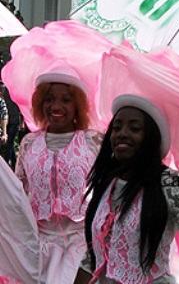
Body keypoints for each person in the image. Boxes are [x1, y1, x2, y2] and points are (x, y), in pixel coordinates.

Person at [75, 94, 179, 284]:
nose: (122, 133)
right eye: (117, 127)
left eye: (135, 128)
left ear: (152, 137)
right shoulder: (106, 181)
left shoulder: (170, 183)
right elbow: (92, 257)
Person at [13, 66, 103, 283]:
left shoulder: (93, 142)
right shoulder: (29, 143)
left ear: (77, 105)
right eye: (49, 99)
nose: (56, 106)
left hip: (82, 246)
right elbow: (16, 193)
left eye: (66, 100)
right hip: (38, 246)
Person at [1, 84, 20, 168]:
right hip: (6, 122)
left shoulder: (17, 93)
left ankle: (6, 165)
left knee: (9, 144)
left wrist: (22, 121)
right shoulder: (3, 91)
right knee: (10, 144)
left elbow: (21, 107)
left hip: (14, 121)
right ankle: (14, 163)